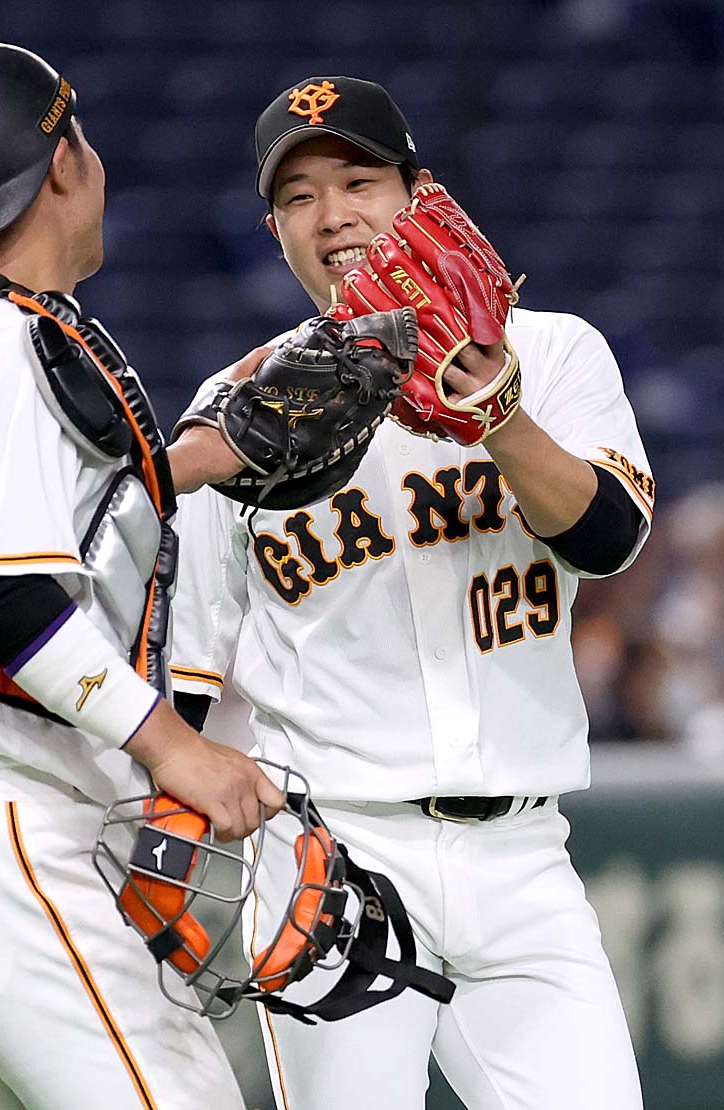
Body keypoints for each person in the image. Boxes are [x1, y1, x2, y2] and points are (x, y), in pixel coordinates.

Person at [169, 76, 654, 1109]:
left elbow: (608, 539)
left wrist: (498, 414)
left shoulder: (551, 352)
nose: (332, 215)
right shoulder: (236, 413)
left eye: (358, 182)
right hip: (335, 857)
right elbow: (184, 672)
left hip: (523, 855)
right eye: (299, 197)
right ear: (274, 233)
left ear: (419, 193)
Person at [0, 42, 286, 1110]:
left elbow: (60, 543)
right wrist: (178, 750)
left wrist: (190, 459)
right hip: (2, 831)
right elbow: (5, 598)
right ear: (60, 165)